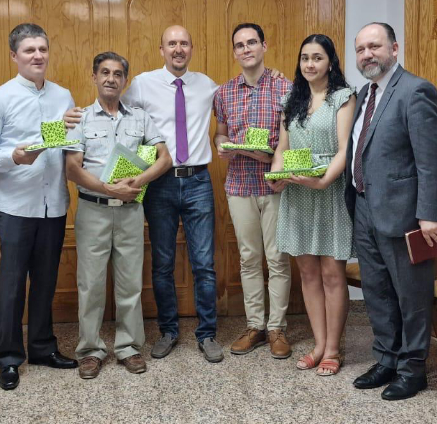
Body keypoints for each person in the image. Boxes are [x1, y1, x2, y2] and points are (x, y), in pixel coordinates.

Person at [65, 26, 224, 363]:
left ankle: (207, 334)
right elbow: (109, 118)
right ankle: (167, 331)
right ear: (161, 48)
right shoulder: (141, 85)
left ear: (191, 48)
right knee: (162, 264)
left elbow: (237, 98)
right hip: (158, 187)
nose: (178, 49)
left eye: (184, 43)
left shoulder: (208, 86)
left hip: (197, 181)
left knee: (204, 265)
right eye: (172, 43)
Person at [0, 23, 78, 392]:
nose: (38, 56)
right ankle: (8, 358)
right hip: (16, 206)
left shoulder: (63, 96)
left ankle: (43, 348)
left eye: (43, 49)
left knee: (46, 282)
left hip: (54, 204)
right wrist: (13, 156)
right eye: (29, 50)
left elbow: (69, 144)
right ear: (14, 56)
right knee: (13, 285)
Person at [346, 23, 437, 400]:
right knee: (377, 292)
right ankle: (387, 359)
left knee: (411, 294)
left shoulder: (415, 91)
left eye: (375, 46)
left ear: (394, 48)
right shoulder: (364, 94)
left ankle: (413, 369)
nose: (367, 54)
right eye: (360, 49)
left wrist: (430, 214)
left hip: (406, 215)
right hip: (364, 208)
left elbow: (432, 160)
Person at [65, 51, 172, 379]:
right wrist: (109, 189)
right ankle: (90, 350)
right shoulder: (80, 118)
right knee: (91, 285)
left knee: (129, 285)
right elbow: (71, 167)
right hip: (93, 212)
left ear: (125, 80)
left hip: (130, 211)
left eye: (117, 74)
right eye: (105, 73)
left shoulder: (139, 117)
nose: (111, 78)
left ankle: (128, 347)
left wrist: (136, 183)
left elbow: (164, 159)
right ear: (94, 77)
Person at [267, 34, 356, 375]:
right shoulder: (292, 99)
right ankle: (319, 344)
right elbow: (282, 148)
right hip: (297, 192)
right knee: (307, 272)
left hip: (328, 191)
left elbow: (345, 149)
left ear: (330, 62)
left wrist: (322, 181)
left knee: (333, 273)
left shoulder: (342, 97)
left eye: (317, 58)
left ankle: (333, 349)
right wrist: (275, 176)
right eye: (304, 57)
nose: (309, 64)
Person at [213, 23, 294, 360]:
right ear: (234, 52)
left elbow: (289, 138)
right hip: (239, 185)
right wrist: (222, 146)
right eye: (239, 45)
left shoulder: (285, 88)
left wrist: (273, 160)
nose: (245, 49)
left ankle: (277, 328)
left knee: (277, 259)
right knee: (248, 259)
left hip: (274, 185)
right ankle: (255, 327)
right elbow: (218, 134)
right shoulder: (224, 92)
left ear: (264, 45)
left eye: (251, 43)